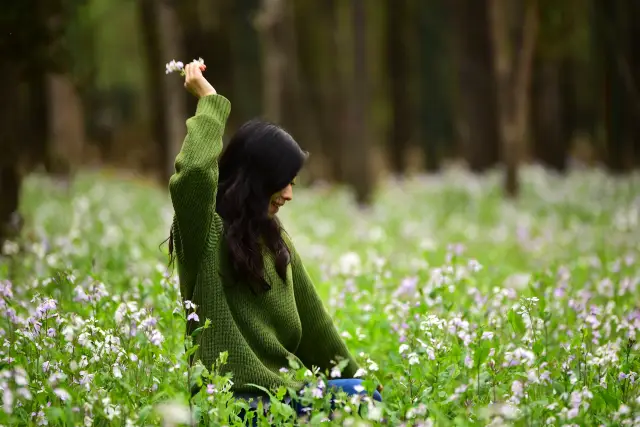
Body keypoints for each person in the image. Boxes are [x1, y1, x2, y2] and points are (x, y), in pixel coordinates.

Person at [167, 62, 382, 421]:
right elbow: (192, 175)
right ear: (254, 179)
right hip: (233, 407)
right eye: (282, 181)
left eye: (293, 182)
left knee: (366, 395)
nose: (289, 194)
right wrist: (210, 101)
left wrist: (361, 384)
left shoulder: (275, 240)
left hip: (286, 399)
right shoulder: (203, 233)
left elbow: (317, 330)